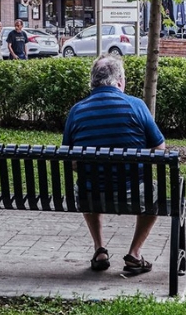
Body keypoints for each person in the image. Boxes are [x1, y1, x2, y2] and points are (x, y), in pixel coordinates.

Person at [62, 55, 165, 276]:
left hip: (89, 195)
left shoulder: (77, 111)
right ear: (119, 81)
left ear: (93, 81)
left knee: (87, 184)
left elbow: (71, 161)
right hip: (133, 194)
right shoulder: (136, 106)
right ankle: (135, 254)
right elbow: (159, 150)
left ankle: (100, 250)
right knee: (156, 195)